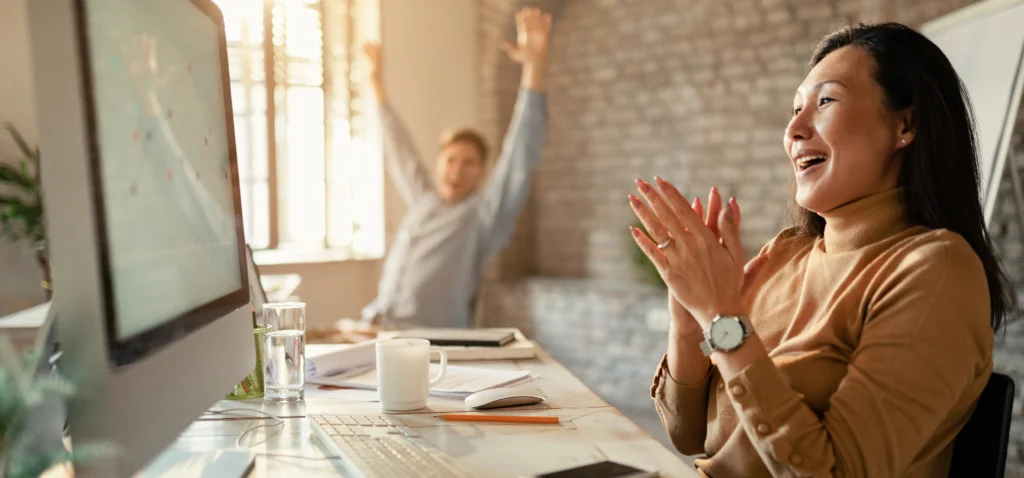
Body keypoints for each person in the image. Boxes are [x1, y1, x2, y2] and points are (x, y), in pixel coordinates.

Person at [628, 23, 1013, 477]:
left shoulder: (936, 270)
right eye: (795, 108)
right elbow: (687, 434)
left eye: (825, 101)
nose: (793, 128)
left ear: (905, 125)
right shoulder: (787, 254)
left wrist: (722, 319)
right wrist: (688, 319)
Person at [360, 7, 551, 329]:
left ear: (481, 172)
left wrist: (536, 67)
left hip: (434, 343)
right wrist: (375, 83)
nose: (457, 170)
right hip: (379, 325)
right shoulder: (423, 200)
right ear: (439, 163)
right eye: (450, 160)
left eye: (469, 163)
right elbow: (398, 148)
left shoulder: (482, 217)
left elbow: (520, 154)